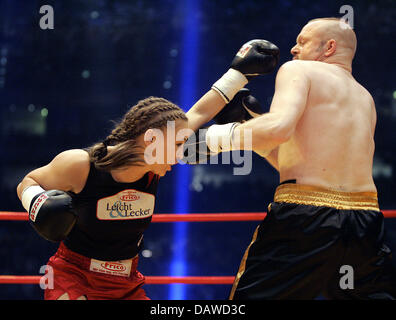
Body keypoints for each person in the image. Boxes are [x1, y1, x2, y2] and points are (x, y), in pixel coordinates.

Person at [16, 40, 279, 300]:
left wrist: (239, 74)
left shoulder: (153, 165)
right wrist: (37, 202)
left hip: (126, 282)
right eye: (176, 143)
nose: (180, 152)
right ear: (151, 140)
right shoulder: (81, 165)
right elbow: (27, 181)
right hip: (75, 277)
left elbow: (200, 111)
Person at [203, 18, 396, 299]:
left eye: (303, 41)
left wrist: (212, 139)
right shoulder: (364, 97)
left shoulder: (299, 70)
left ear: (329, 47)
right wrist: (252, 124)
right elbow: (292, 162)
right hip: (365, 219)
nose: (293, 49)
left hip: (305, 216)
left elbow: (278, 128)